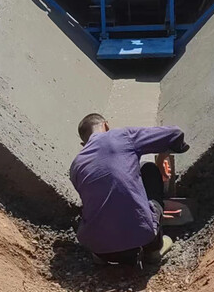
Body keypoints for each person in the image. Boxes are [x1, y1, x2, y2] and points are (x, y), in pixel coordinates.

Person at [70, 113, 189, 266]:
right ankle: (153, 250)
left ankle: (105, 253)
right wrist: (166, 152)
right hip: (143, 236)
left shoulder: (75, 166)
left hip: (101, 250)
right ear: (106, 125)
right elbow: (174, 134)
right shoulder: (120, 136)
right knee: (149, 169)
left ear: (83, 144)